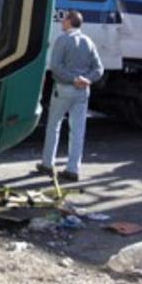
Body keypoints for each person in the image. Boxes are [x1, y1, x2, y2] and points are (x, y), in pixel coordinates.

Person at [37, 10, 104, 182]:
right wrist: (86, 79)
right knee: (78, 131)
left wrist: (74, 79)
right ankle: (73, 169)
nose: (61, 21)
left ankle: (47, 164)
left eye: (64, 18)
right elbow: (99, 69)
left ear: (69, 21)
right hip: (83, 92)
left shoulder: (63, 40)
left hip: (64, 89)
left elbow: (56, 67)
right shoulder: (88, 42)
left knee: (54, 126)